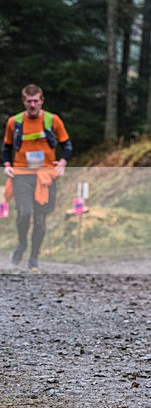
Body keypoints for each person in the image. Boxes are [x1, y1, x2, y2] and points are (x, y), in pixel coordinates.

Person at [3, 84, 72, 272]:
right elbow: (6, 148)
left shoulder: (52, 120)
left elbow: (67, 145)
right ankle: (21, 245)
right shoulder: (14, 122)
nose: (32, 105)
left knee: (40, 219)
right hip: (22, 175)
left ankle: (34, 257)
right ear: (23, 101)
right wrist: (7, 166)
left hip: (45, 177)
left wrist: (63, 162)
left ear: (42, 100)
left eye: (36, 101)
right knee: (24, 213)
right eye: (29, 101)